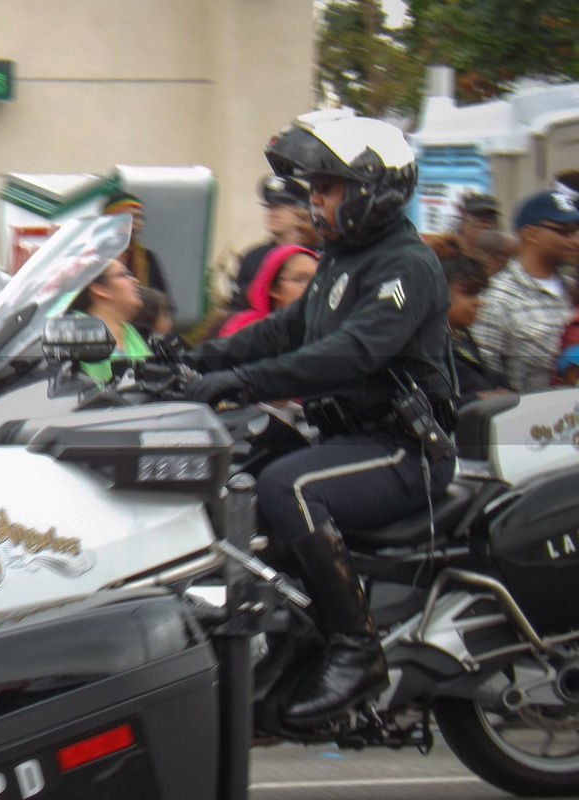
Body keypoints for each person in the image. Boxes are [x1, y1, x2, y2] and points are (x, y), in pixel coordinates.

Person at [186, 112, 456, 727]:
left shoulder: (404, 264)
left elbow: (352, 351)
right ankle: (283, 641)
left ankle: (356, 648)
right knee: (242, 470)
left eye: (328, 188)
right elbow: (286, 329)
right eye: (315, 188)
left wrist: (240, 381)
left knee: (286, 487)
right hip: (349, 436)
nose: (315, 201)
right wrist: (193, 356)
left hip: (404, 449)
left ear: (371, 190)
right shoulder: (342, 259)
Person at [470, 190, 579, 393]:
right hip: (534, 420)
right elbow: (483, 380)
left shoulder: (572, 289)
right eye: (564, 231)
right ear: (532, 234)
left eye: (575, 231)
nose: (574, 240)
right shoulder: (497, 298)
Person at [427, 234, 507, 405]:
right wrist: (475, 399)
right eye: (468, 293)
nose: (479, 302)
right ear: (438, 291)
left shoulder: (462, 335)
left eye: (478, 293)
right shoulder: (425, 346)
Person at [231, 175, 317, 311]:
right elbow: (236, 309)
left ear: (301, 211)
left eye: (280, 207)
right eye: (270, 207)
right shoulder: (253, 258)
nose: (273, 213)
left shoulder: (317, 257)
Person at [67, 259, 150, 383]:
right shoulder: (73, 334)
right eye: (123, 275)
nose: (135, 281)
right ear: (99, 288)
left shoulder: (129, 332)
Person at [218, 244, 318, 337]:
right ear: (273, 288)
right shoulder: (246, 329)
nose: (312, 286)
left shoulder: (323, 327)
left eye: (317, 279)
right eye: (300, 279)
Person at [101, 191, 171, 300]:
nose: (139, 223)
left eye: (140, 218)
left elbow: (161, 298)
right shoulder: (95, 257)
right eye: (133, 216)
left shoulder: (147, 258)